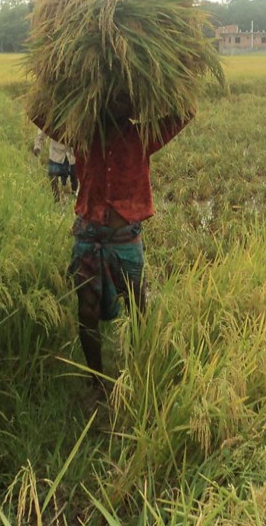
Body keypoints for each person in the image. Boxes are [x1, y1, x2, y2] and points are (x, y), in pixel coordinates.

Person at [33, 104, 191, 399]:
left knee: (137, 306)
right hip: (88, 235)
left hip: (125, 237)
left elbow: (185, 112)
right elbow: (38, 112)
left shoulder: (144, 135)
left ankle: (140, 369)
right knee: (87, 309)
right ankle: (96, 382)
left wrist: (181, 72)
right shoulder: (82, 134)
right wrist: (51, 88)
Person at [33, 128, 77, 201]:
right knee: (53, 176)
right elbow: (43, 128)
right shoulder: (54, 118)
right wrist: (38, 145)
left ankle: (73, 198)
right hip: (56, 153)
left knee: (74, 178)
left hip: (72, 154)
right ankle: (56, 200)